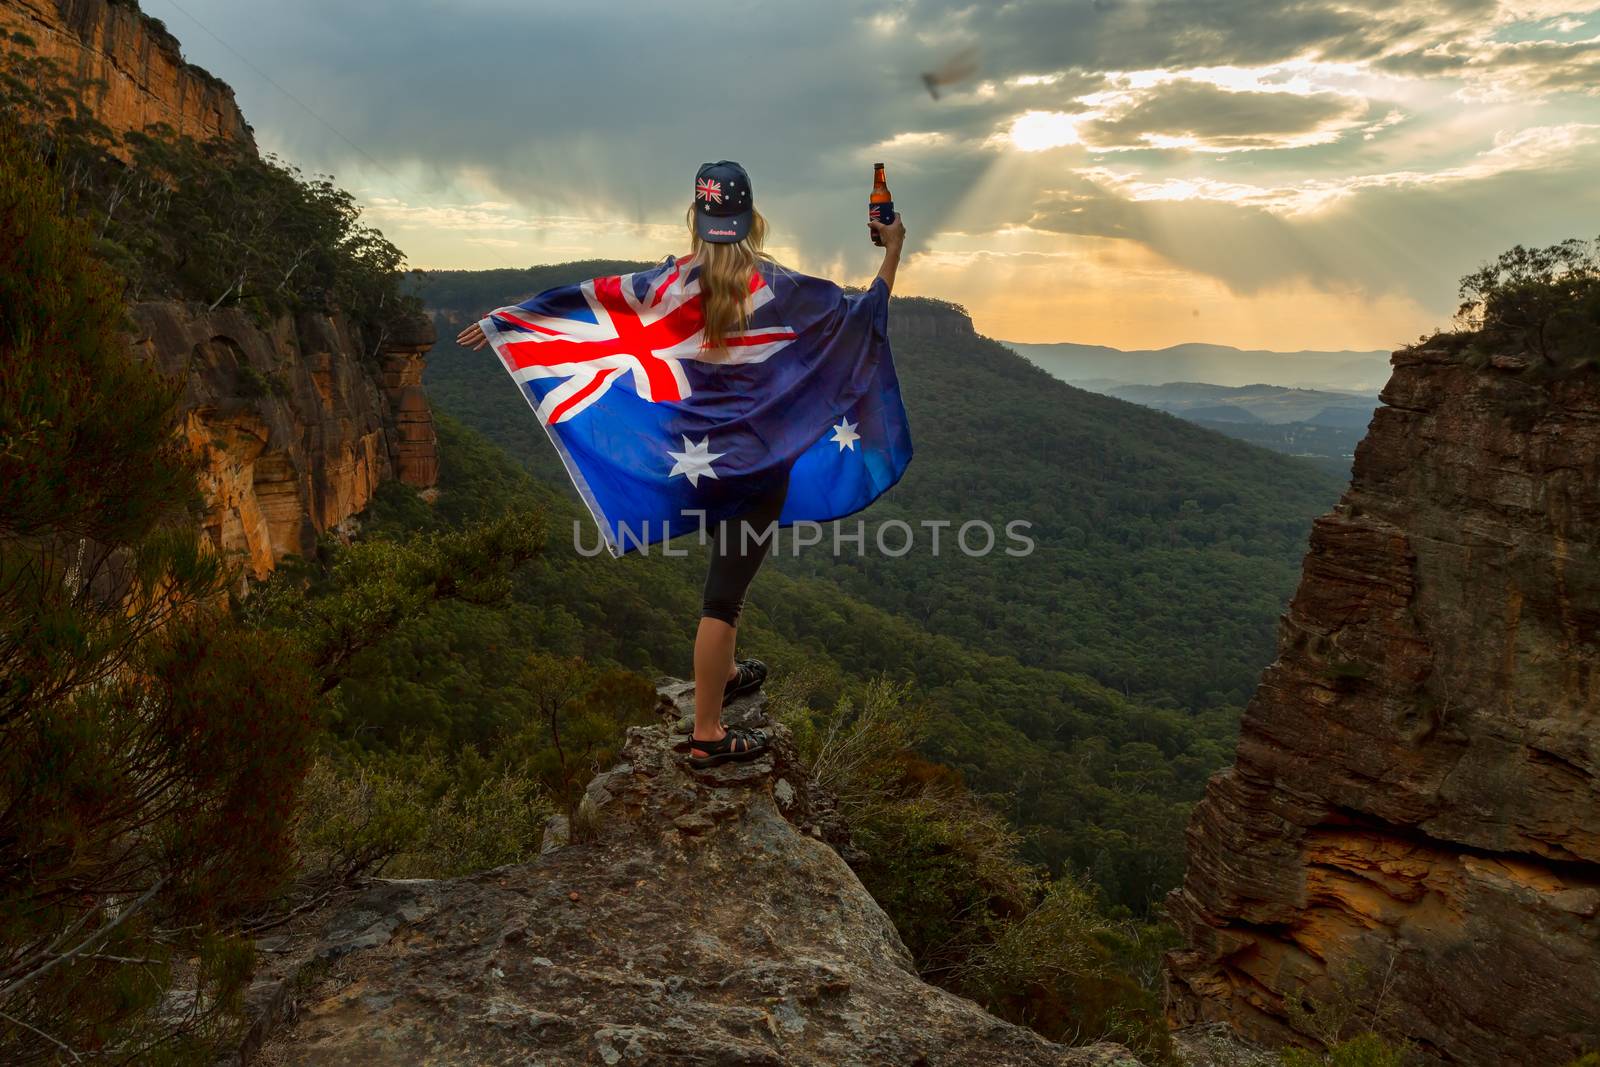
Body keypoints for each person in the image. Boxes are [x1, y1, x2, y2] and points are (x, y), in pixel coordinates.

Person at [456, 160, 907, 770]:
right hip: (762, 465)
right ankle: (708, 735)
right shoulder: (781, 288)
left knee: (727, 587)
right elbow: (857, 318)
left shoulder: (668, 285)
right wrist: (892, 250)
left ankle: (723, 675)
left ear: (697, 218)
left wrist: (510, 321)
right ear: (752, 220)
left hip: (700, 463)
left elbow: (594, 302)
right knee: (724, 598)